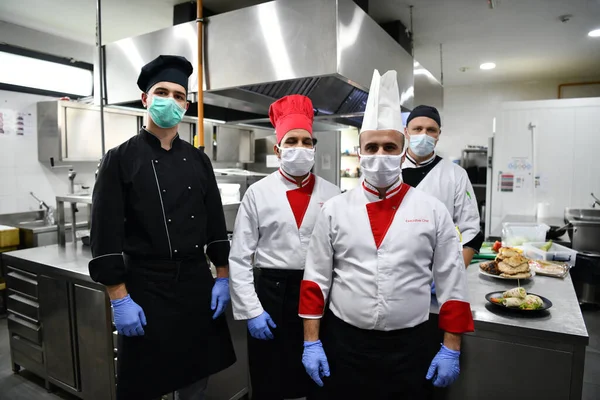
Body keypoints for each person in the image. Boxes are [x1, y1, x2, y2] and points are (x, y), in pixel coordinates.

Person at [298, 70, 474, 399]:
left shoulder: (432, 210)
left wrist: (451, 346)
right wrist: (312, 342)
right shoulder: (334, 209)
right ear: (361, 151)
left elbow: (453, 282)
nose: (380, 155)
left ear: (402, 149)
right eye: (372, 147)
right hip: (344, 345)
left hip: (410, 347)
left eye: (390, 147)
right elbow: (315, 281)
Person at [89, 55, 236, 400]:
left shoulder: (199, 160)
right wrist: (119, 298)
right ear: (145, 99)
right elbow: (105, 235)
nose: (170, 100)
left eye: (179, 95)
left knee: (196, 381)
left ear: (186, 105)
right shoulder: (120, 158)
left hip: (195, 285)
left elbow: (215, 224)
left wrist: (223, 276)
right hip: (145, 288)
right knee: (144, 385)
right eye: (162, 92)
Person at [229, 94, 340, 400]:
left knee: (317, 378)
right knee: (271, 380)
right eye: (292, 141)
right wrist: (252, 311)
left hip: (319, 293)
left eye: (307, 141)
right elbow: (240, 257)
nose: (300, 149)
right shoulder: (258, 193)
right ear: (278, 148)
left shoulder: (333, 194)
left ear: (314, 147)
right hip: (272, 295)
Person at [402, 105, 484, 270]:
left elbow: (470, 230)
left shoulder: (455, 174)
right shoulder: (388, 170)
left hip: (437, 269)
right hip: (390, 270)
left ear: (438, 134)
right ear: (406, 132)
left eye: (431, 130)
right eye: (417, 129)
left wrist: (453, 277)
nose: (424, 134)